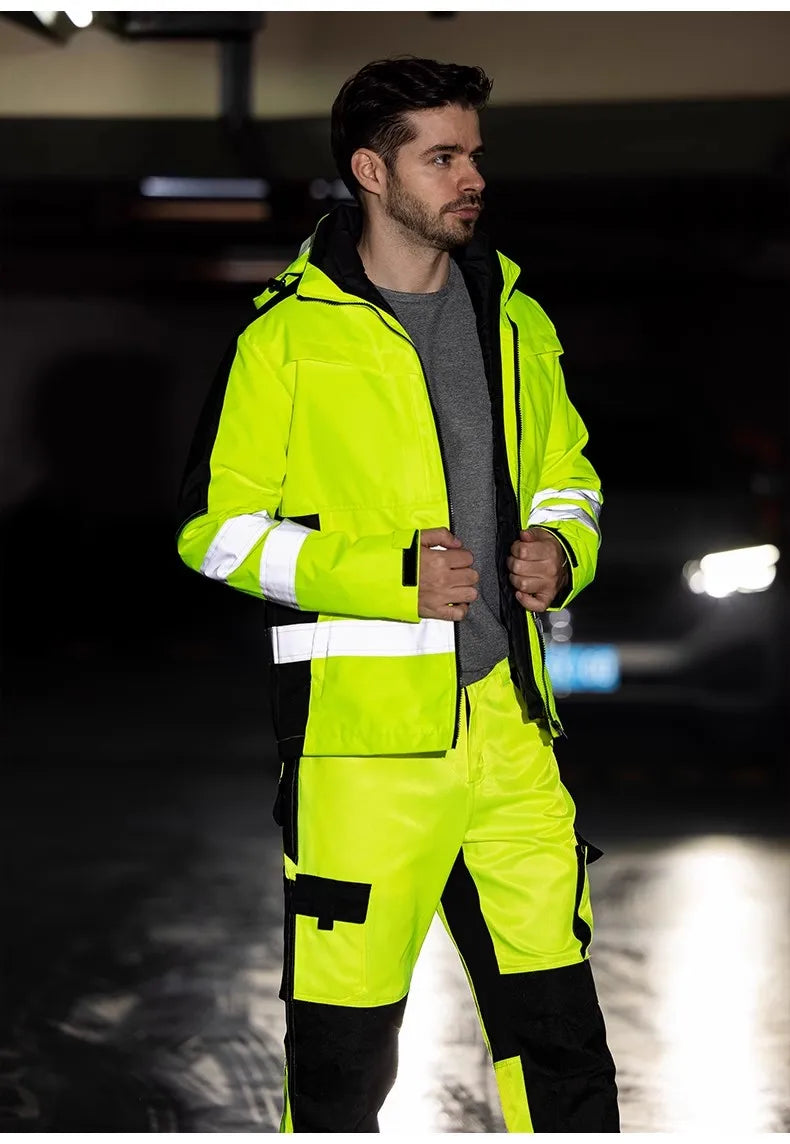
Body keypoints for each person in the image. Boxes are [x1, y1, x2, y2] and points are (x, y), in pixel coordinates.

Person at [176, 56, 619, 1134]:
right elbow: (215, 532)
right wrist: (383, 577)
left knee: (563, 1047)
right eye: (443, 156)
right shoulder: (286, 337)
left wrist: (561, 546)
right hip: (361, 763)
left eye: (473, 154)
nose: (472, 176)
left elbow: (572, 475)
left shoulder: (515, 318)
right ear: (372, 171)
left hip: (514, 740)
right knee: (339, 1073)